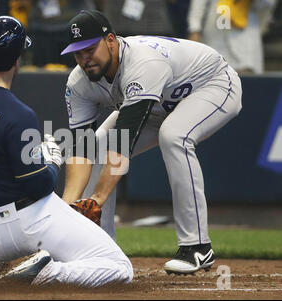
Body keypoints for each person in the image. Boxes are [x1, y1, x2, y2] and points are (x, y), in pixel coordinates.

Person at [0, 15, 133, 287]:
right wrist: (51, 159)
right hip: (32, 226)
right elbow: (39, 183)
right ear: (17, 59)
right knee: (121, 268)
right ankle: (47, 272)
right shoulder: (18, 113)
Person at [60, 10, 243, 275]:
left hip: (213, 85)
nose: (84, 59)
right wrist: (68, 205)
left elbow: (122, 145)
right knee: (98, 144)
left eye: (90, 49)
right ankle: (103, 251)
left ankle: (197, 246)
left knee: (174, 135)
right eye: (78, 53)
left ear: (110, 40)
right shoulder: (78, 82)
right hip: (160, 103)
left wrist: (97, 199)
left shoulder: (142, 62)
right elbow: (82, 150)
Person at [187, 0, 277, 74]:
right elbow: (198, 4)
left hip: (246, 30)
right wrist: (195, 29)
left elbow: (268, 5)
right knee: (214, 74)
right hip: (216, 28)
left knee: (248, 77)